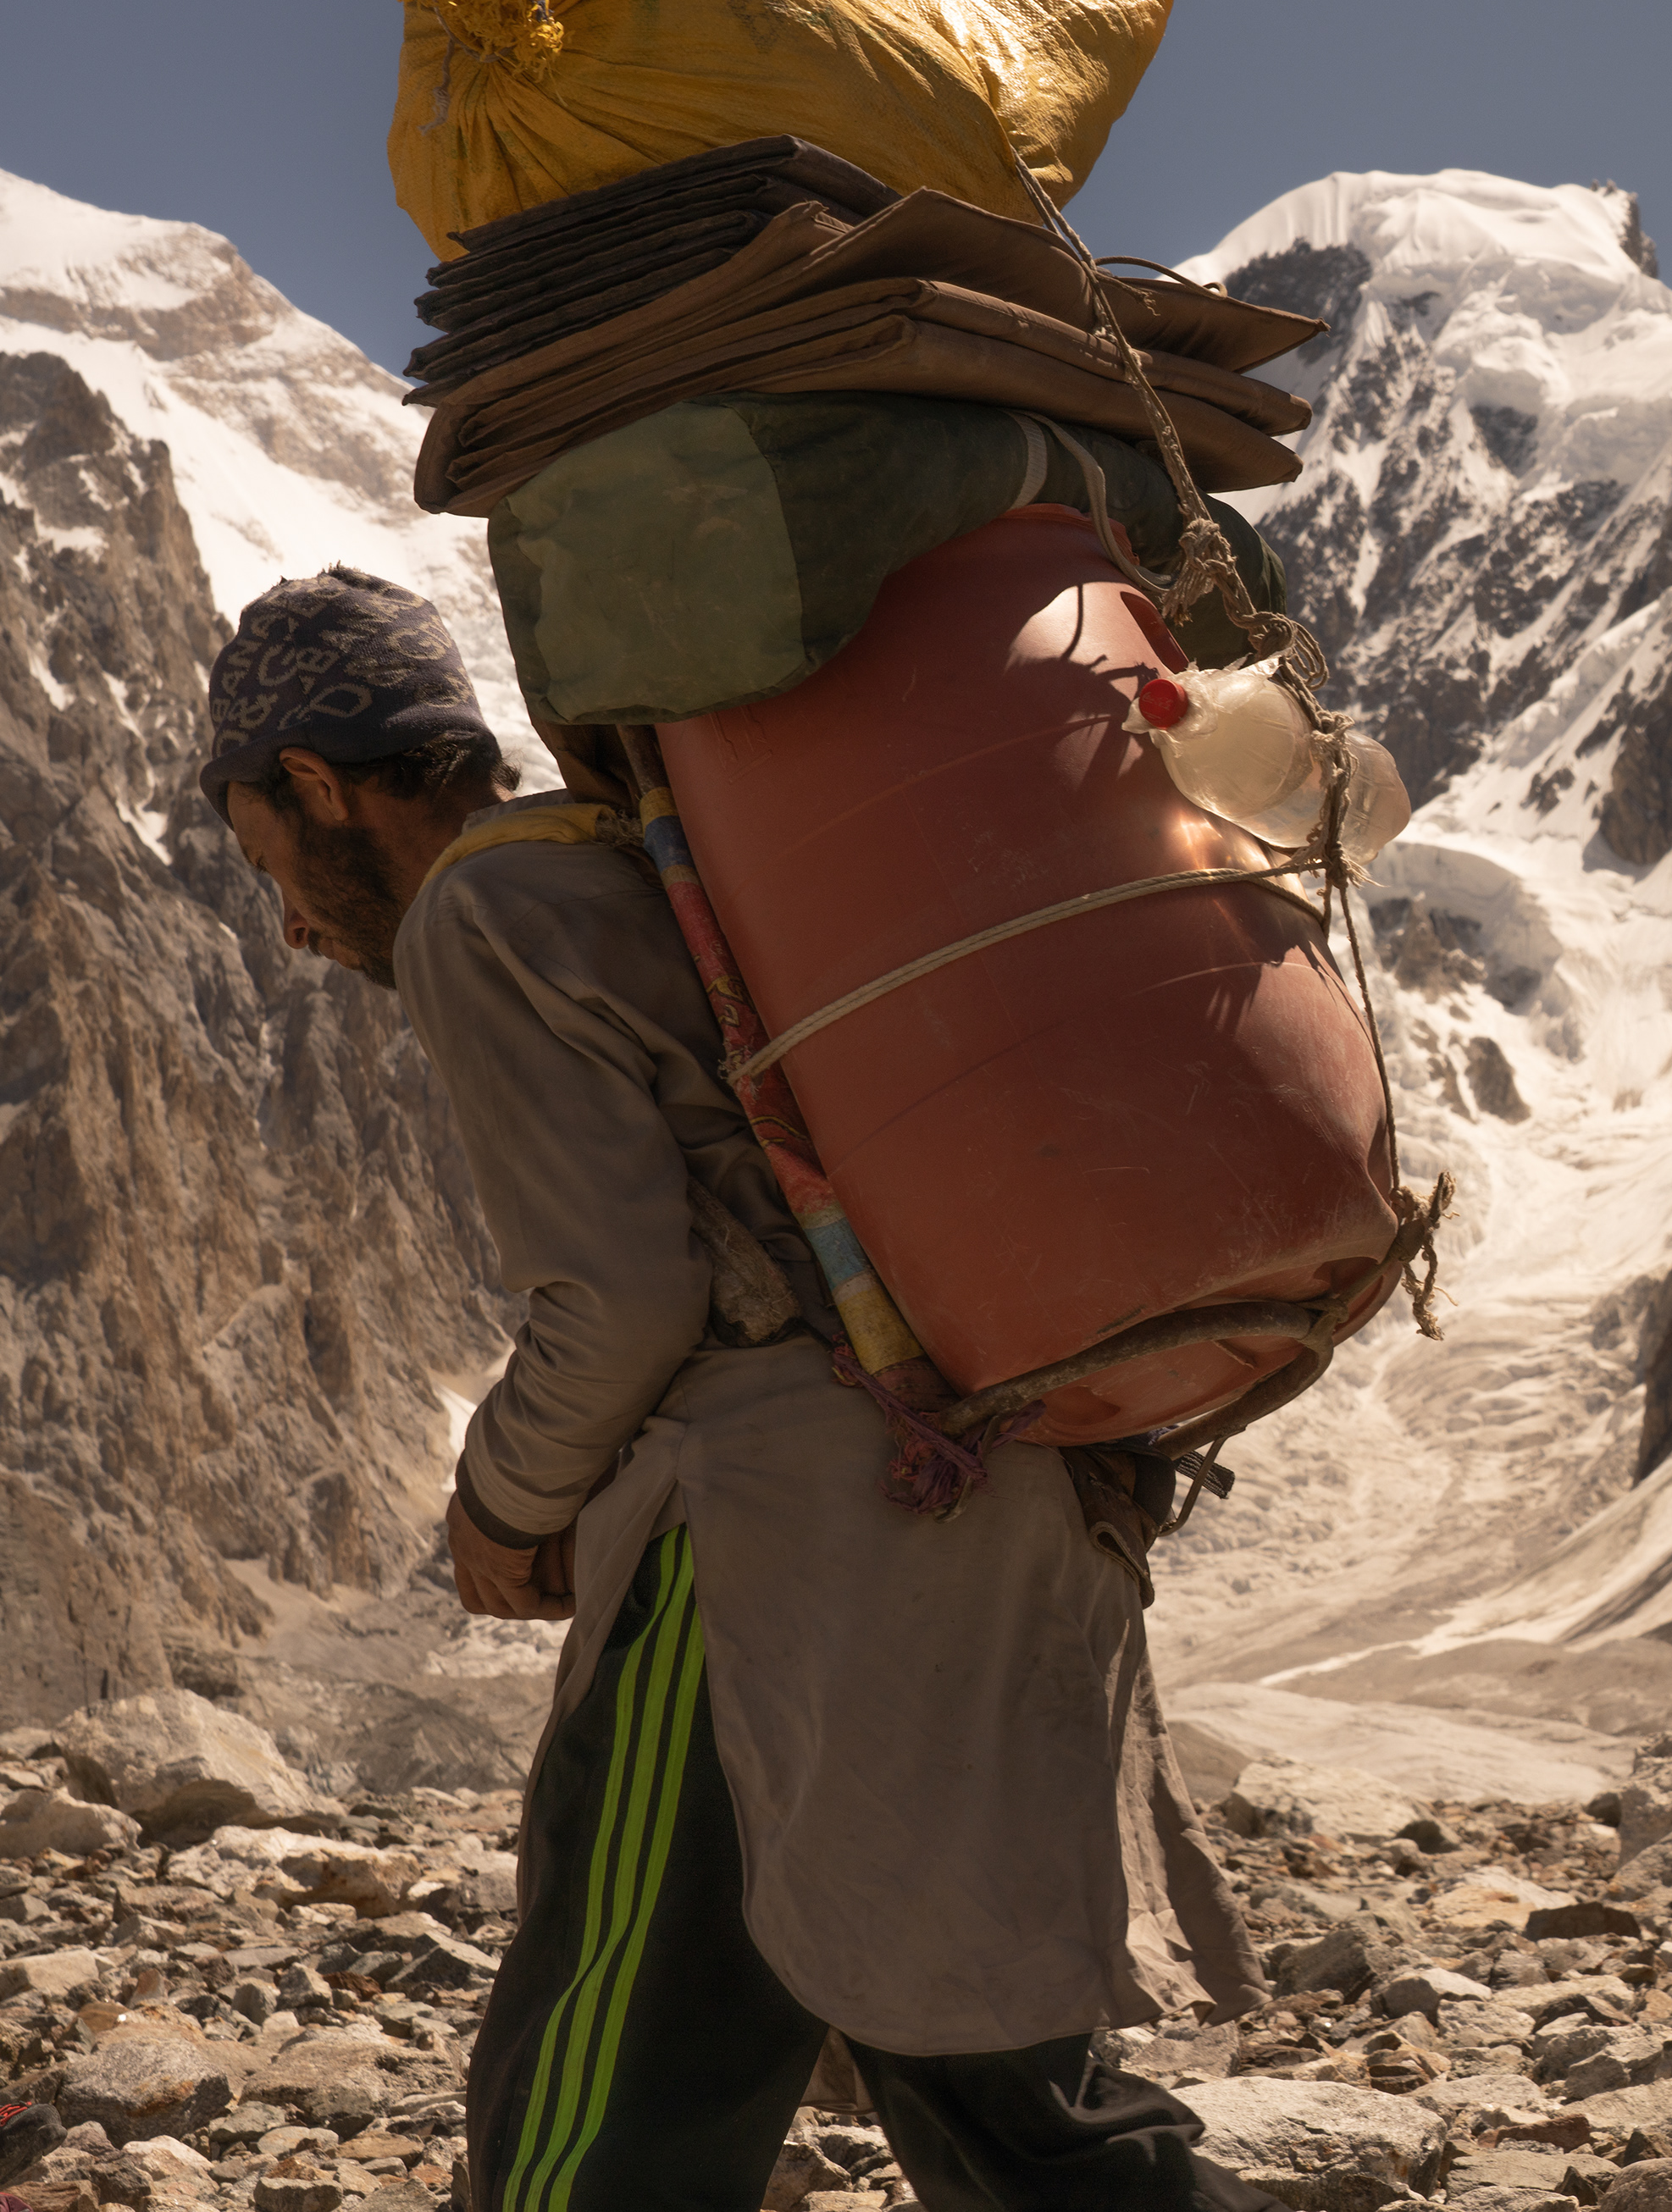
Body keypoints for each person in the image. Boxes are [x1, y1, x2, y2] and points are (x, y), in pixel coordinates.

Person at [206, 567, 1271, 2212]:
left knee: (610, 2080)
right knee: (1001, 2088)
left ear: (319, 784)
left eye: (263, 848)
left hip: (772, 1558)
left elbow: (621, 1301)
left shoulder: (484, 912)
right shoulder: (650, 857)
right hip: (1010, 1483)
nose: (283, 913)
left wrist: (499, 1505)